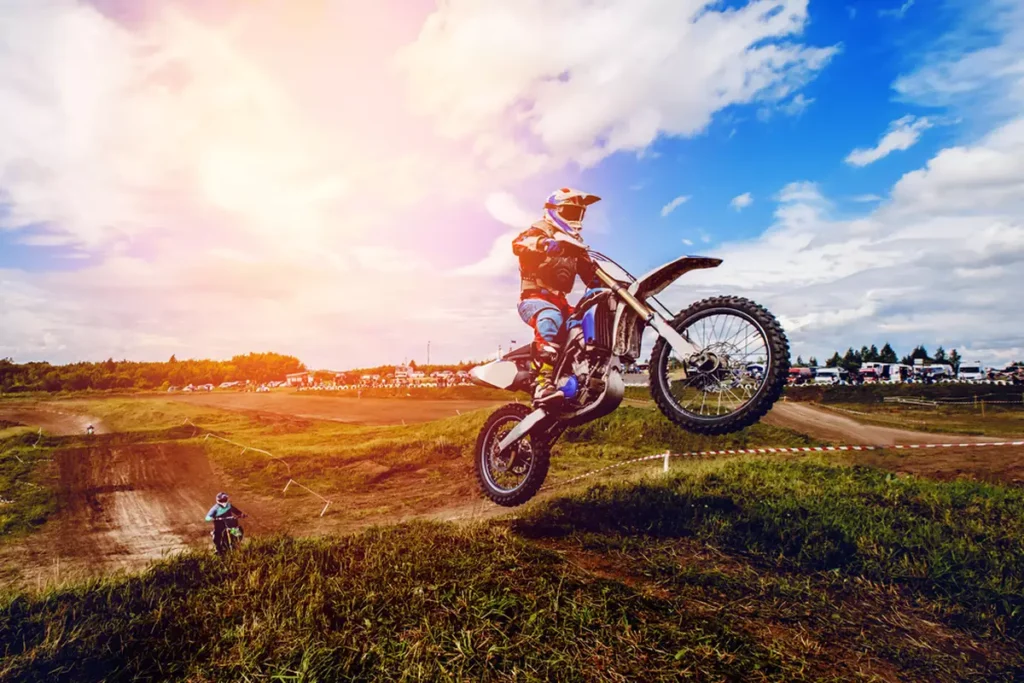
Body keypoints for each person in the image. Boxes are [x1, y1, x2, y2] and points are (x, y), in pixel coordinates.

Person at [512, 187, 603, 405]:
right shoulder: (538, 231)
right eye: (571, 212)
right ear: (554, 210)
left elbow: (592, 275)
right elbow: (518, 244)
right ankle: (542, 383)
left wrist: (605, 286)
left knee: (585, 322)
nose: (576, 219)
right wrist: (544, 245)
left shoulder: (575, 245)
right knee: (551, 317)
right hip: (534, 299)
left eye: (579, 214)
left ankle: (576, 377)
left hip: (561, 302)